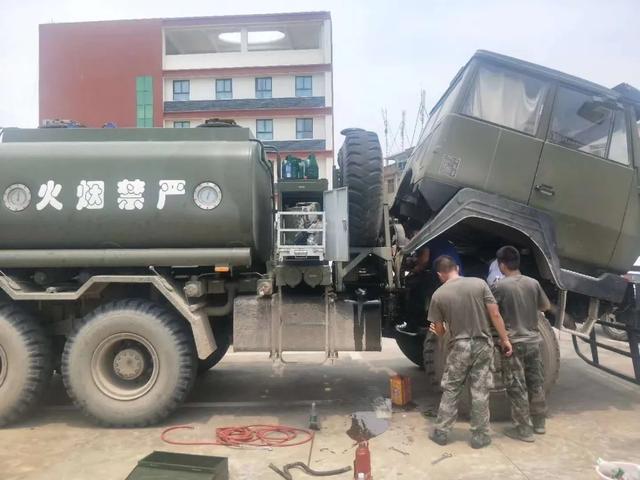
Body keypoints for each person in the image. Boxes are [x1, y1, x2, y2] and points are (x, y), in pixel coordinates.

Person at [428, 255, 513, 449]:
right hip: (483, 345)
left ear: (440, 274)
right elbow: (495, 313)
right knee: (480, 391)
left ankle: (442, 433)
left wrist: (439, 330)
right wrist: (505, 339)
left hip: (459, 347)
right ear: (457, 267)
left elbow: (440, 331)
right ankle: (480, 436)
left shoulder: (438, 295)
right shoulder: (479, 284)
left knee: (452, 389)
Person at [491, 246, 551, 442]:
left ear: (501, 265)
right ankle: (540, 424)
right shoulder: (533, 283)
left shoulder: (499, 287)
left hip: (513, 343)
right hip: (534, 341)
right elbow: (545, 306)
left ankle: (523, 430)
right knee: (536, 382)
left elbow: (492, 312)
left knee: (516, 386)